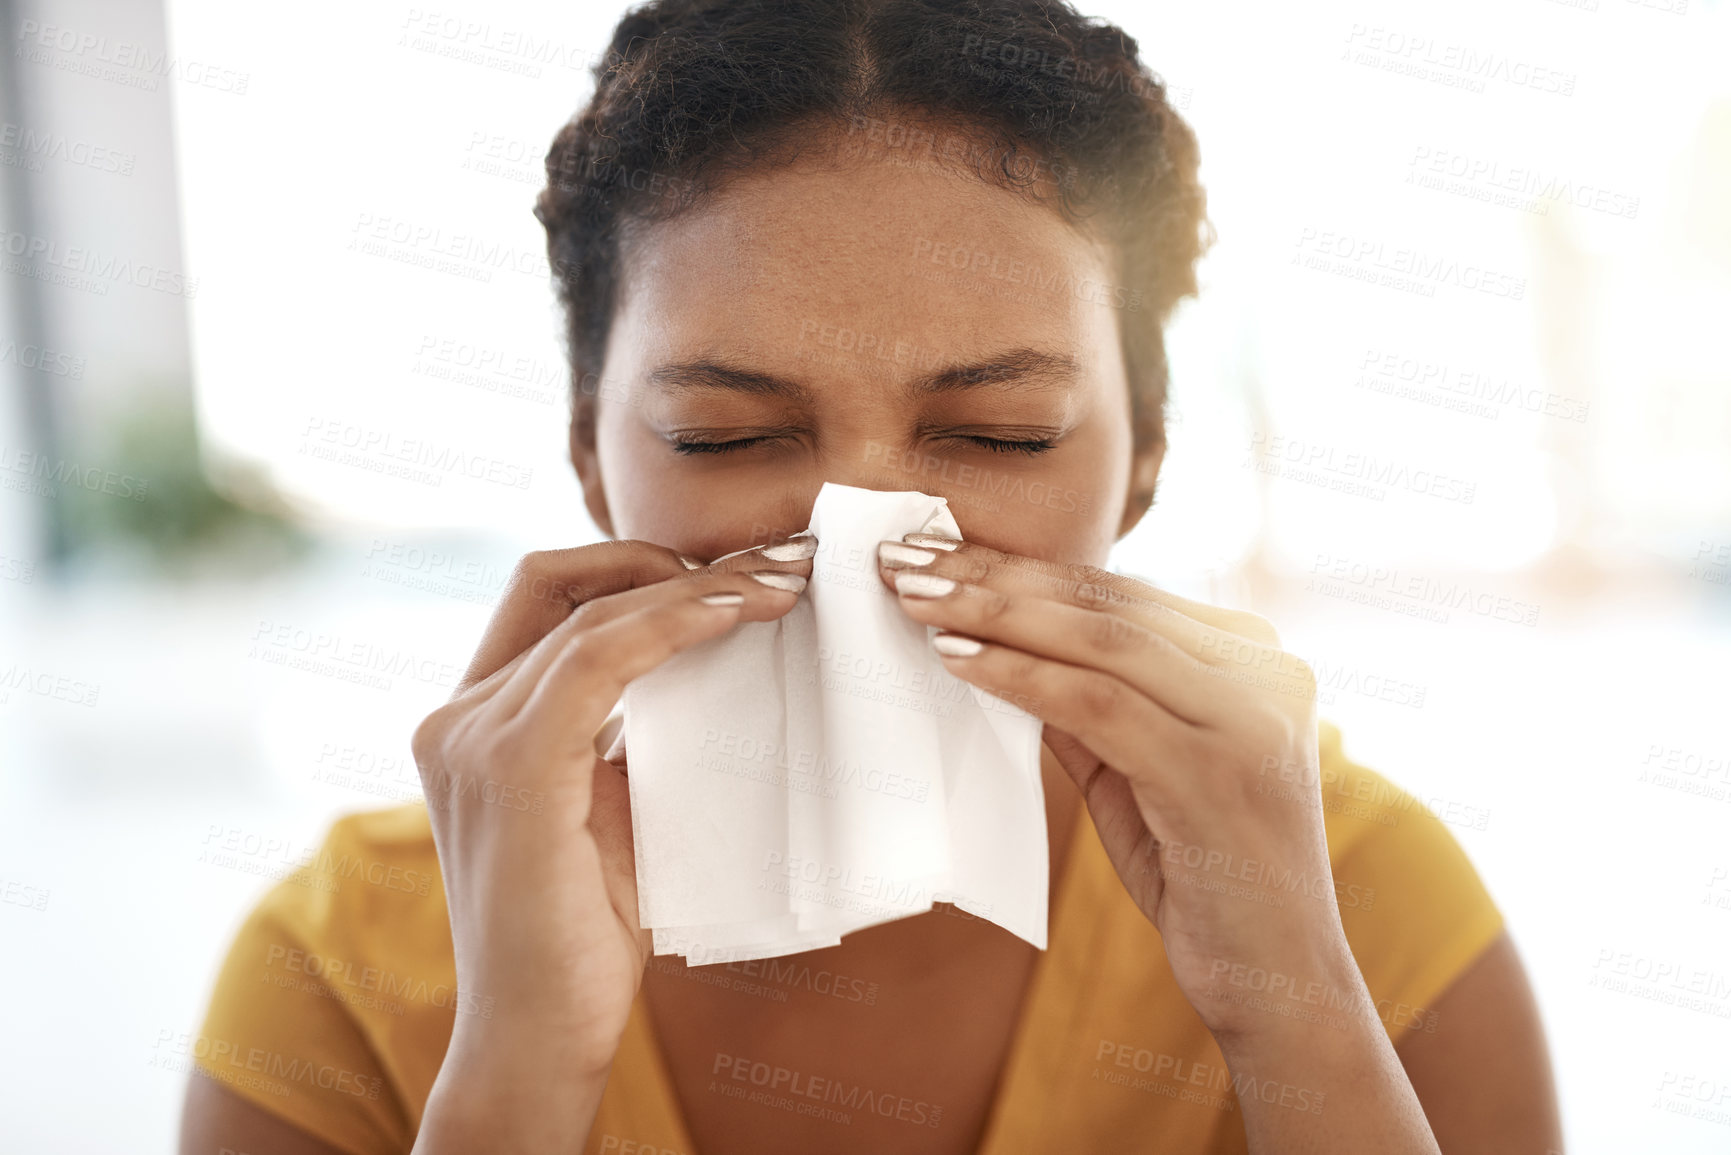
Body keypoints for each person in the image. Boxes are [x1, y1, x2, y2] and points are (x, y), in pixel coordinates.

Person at [180, 0, 1563, 1151]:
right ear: (589, 461)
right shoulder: (343, 972)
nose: (869, 530)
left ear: (1143, 461)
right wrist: (517, 1067)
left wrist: (1299, 1010)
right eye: (724, 434)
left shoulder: (1365, 902)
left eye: (997, 433)